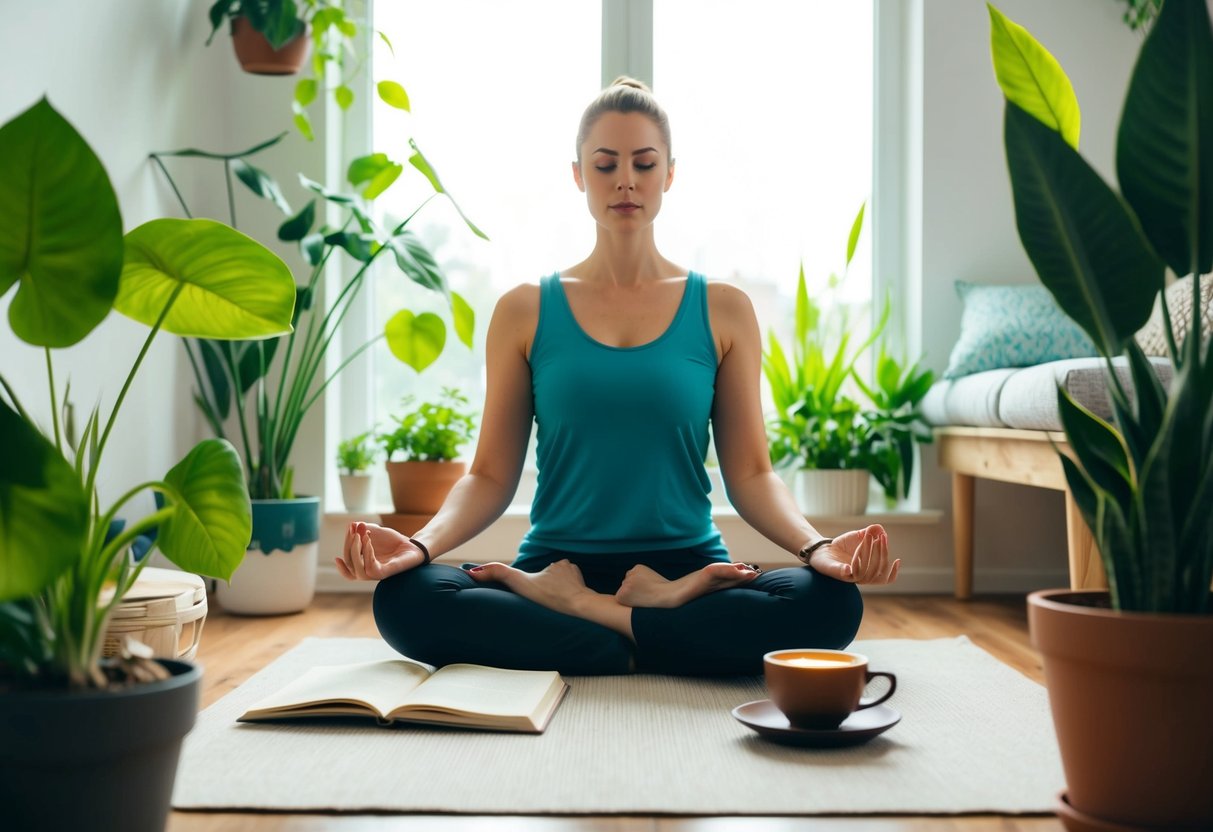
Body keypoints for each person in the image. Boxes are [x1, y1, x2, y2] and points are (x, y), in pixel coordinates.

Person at [338, 77, 900, 676]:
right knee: (404, 599)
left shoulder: (724, 309)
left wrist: (817, 549)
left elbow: (752, 473)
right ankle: (647, 633)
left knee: (830, 601)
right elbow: (491, 474)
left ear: (669, 174)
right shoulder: (524, 310)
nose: (626, 180)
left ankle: (593, 625)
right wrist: (421, 545)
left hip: (684, 573)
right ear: (579, 174)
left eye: (644, 163)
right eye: (605, 165)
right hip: (557, 566)